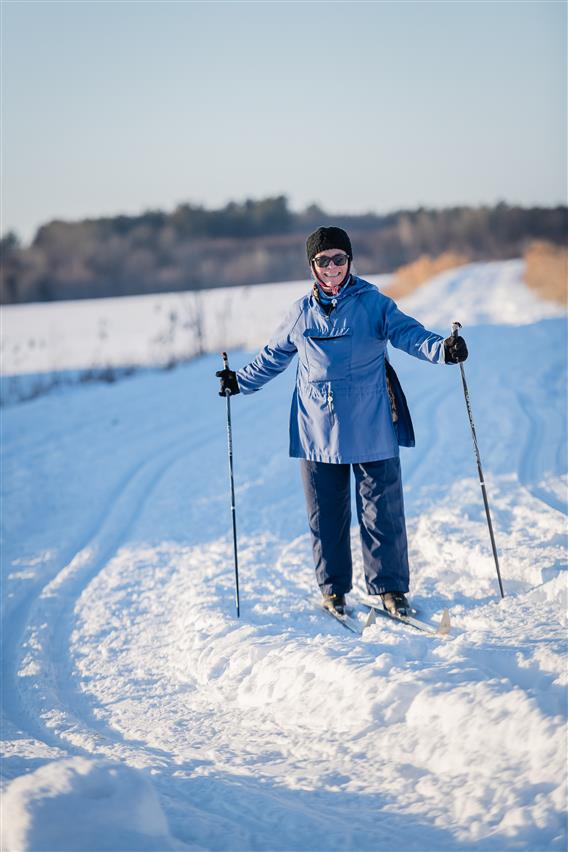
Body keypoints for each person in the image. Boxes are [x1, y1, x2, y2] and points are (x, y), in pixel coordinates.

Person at [216, 226, 468, 617]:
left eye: (338, 258)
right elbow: (272, 357)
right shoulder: (300, 312)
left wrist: (443, 350)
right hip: (317, 429)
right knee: (325, 516)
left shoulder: (373, 304)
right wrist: (239, 382)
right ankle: (333, 590)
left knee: (381, 511)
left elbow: (409, 335)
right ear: (312, 266)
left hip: (371, 424)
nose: (331, 267)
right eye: (323, 261)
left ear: (349, 261)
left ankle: (390, 589)